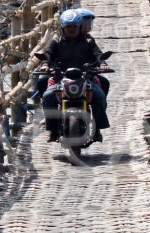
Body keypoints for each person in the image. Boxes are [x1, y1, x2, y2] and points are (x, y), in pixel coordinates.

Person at [42, 9, 110, 143]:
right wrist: (45, 64)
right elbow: (48, 54)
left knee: (99, 95)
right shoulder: (57, 41)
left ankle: (97, 130)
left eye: (74, 26)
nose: (71, 29)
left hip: (85, 78)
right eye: (68, 27)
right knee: (47, 96)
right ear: (63, 27)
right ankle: (53, 130)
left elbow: (97, 54)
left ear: (80, 27)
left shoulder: (88, 42)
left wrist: (102, 63)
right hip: (61, 78)